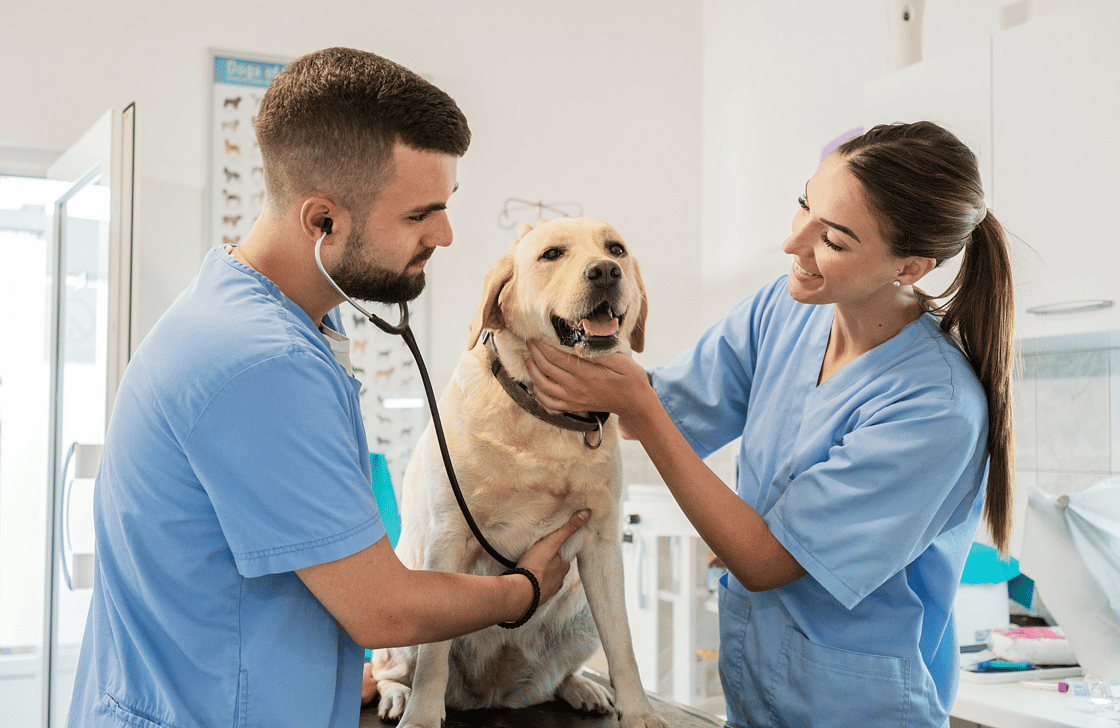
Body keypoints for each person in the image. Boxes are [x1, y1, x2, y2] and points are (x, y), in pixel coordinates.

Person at [68, 47, 589, 728]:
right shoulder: (259, 364)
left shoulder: (264, 309)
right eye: (419, 215)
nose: (447, 234)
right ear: (323, 222)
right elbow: (384, 607)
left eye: (446, 205)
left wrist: (328, 669)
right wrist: (522, 592)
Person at [526, 121, 1015, 728]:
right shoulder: (783, 310)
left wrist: (637, 406)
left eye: (832, 239)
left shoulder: (934, 406)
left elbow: (760, 560)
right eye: (804, 203)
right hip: (758, 696)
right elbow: (652, 407)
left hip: (861, 710)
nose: (794, 244)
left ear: (910, 266)